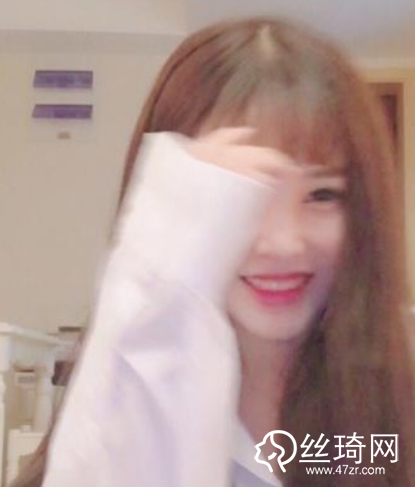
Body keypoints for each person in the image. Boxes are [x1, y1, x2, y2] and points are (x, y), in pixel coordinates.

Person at [12, 17, 415, 487]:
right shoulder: (116, 413)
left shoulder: (387, 418)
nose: (283, 243)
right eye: (244, 191)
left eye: (322, 195)